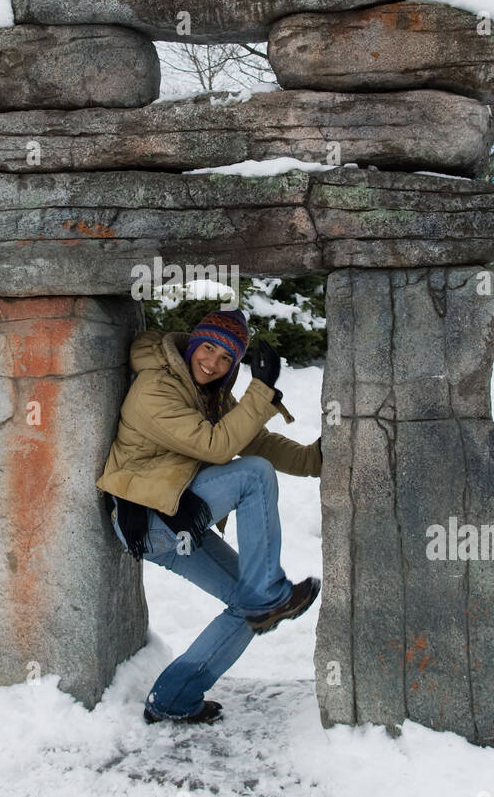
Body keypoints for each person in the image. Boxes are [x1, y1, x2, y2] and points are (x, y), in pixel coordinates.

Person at [96, 306, 323, 726]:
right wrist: (261, 390)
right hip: (148, 517)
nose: (213, 363)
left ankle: (174, 698)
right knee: (253, 477)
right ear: (192, 344)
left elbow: (255, 439)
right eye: (209, 348)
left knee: (247, 606)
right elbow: (219, 446)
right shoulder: (155, 389)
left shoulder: (211, 394)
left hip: (181, 518)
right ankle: (269, 595)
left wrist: (316, 459)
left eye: (226, 359)